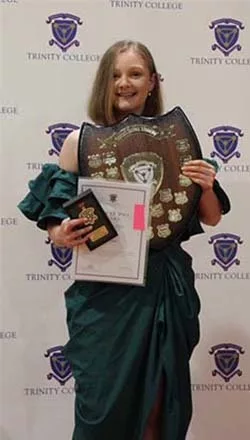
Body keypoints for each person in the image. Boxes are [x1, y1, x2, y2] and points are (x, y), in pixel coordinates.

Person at [18, 40, 230, 440]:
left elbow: (212, 217)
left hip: (164, 286)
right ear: (104, 82)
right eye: (115, 74)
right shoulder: (77, 143)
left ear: (152, 82)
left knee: (158, 407)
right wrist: (60, 232)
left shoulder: (179, 140)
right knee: (100, 411)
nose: (124, 83)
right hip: (105, 292)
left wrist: (206, 186)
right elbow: (55, 218)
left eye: (134, 74)